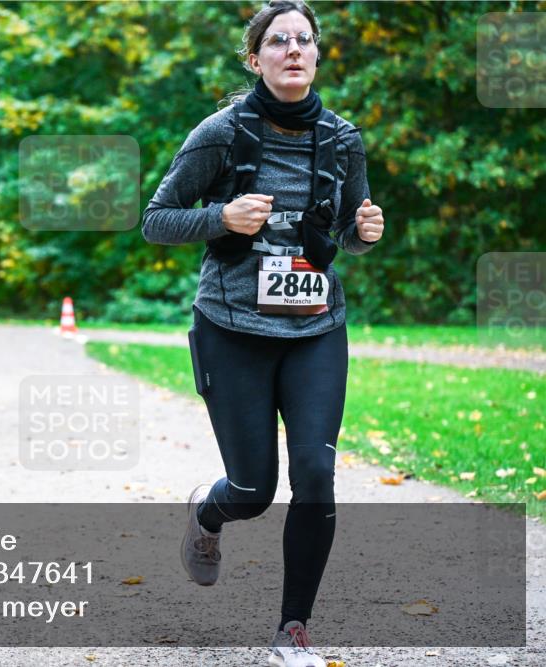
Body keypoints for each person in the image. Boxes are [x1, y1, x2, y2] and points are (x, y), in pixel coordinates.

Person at [140, 2, 385, 666]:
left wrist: (362, 236)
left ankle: (293, 629)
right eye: (278, 41)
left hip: (315, 329)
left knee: (316, 472)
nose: (294, 50)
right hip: (231, 328)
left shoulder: (341, 138)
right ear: (256, 59)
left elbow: (344, 235)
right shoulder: (220, 134)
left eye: (305, 39)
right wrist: (221, 216)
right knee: (253, 489)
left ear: (317, 54)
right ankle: (208, 514)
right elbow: (156, 219)